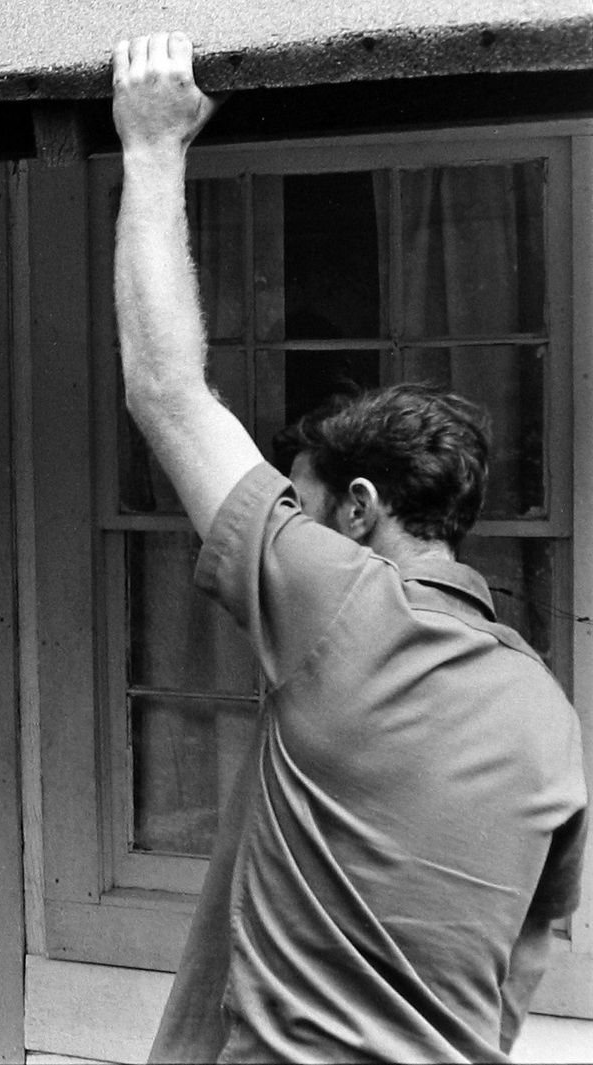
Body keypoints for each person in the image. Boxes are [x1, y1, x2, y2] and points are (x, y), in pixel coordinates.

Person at [111, 32, 588, 1063]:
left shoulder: (342, 601)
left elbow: (165, 391)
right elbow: (518, 970)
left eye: (304, 505)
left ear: (361, 509)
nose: (290, 524)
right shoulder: (548, 718)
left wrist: (150, 147)